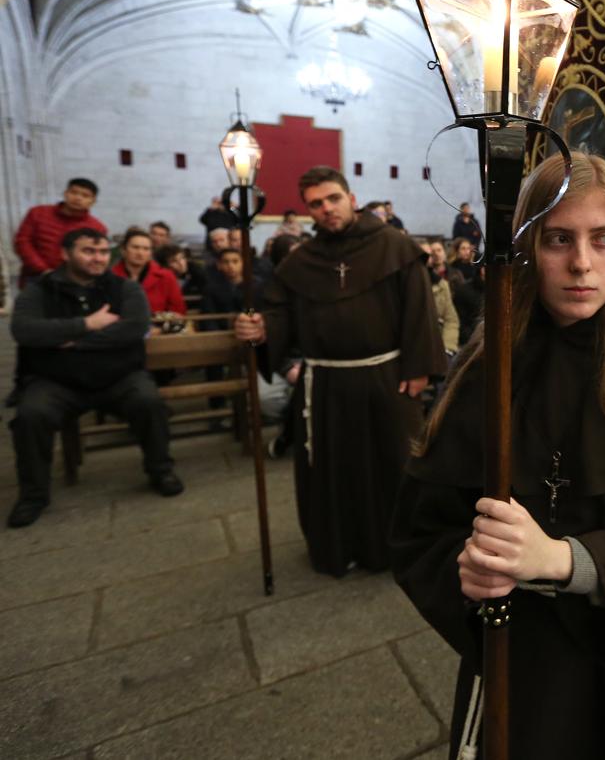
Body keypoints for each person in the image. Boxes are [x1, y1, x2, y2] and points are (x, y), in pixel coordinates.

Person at [389, 153, 605, 759]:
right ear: (526, 248)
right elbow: (424, 528)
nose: (582, 262)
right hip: (517, 653)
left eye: (603, 239)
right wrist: (464, 572)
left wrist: (560, 559)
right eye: (558, 239)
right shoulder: (487, 369)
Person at [233, 166, 446, 576]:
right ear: (309, 211)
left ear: (351, 198)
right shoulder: (302, 262)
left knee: (391, 464)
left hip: (387, 377)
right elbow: (279, 313)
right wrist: (261, 330)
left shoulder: (394, 245)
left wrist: (420, 369)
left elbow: (420, 309)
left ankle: (391, 548)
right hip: (325, 384)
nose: (326, 209)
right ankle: (338, 546)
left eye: (332, 198)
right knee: (330, 470)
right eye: (316, 204)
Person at [8, 228, 183, 527]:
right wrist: (88, 323)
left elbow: (133, 328)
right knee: (30, 415)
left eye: (102, 252)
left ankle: (160, 470)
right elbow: (24, 330)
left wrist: (73, 340)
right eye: (88, 251)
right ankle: (33, 494)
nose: (98, 258)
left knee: (148, 401)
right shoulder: (40, 290)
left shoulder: (124, 288)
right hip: (56, 380)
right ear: (65, 253)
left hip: (119, 375)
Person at [14, 178, 107, 288]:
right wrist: (43, 270)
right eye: (74, 192)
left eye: (85, 196)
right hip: (35, 276)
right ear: (65, 193)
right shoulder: (37, 213)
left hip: (75, 281)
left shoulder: (96, 227)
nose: (78, 198)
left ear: (93, 201)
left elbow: (94, 255)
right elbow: (22, 242)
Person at [112, 227, 187, 318]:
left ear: (150, 253)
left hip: (160, 328)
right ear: (123, 250)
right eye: (135, 247)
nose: (140, 253)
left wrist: (158, 330)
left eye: (146, 249)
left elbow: (178, 312)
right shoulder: (110, 277)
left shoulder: (166, 276)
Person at [415, 237, 460, 356]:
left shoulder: (441, 284)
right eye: (422, 255)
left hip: (438, 346)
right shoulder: (403, 283)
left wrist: (447, 349)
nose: (427, 260)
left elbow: (451, 319)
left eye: (428, 256)